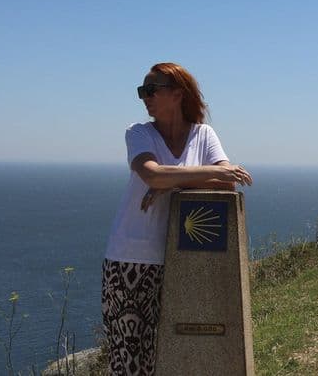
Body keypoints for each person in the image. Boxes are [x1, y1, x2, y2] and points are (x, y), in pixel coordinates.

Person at [102, 62, 252, 375]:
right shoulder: (139, 133)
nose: (145, 97)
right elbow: (152, 174)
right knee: (130, 362)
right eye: (142, 91)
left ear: (178, 94)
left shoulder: (203, 135)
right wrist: (208, 172)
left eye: (152, 89)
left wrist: (175, 182)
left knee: (178, 355)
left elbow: (229, 184)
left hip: (184, 258)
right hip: (132, 259)